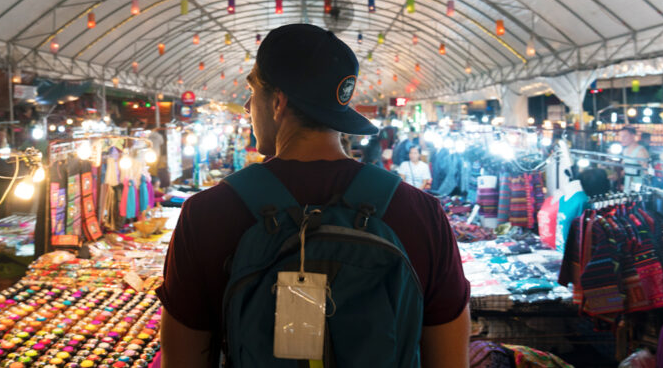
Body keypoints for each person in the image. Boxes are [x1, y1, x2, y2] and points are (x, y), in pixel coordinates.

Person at [158, 24, 470, 367]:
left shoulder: (207, 214)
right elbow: (451, 360)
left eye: (252, 91)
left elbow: (182, 360)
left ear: (278, 102)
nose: (247, 106)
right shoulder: (421, 214)